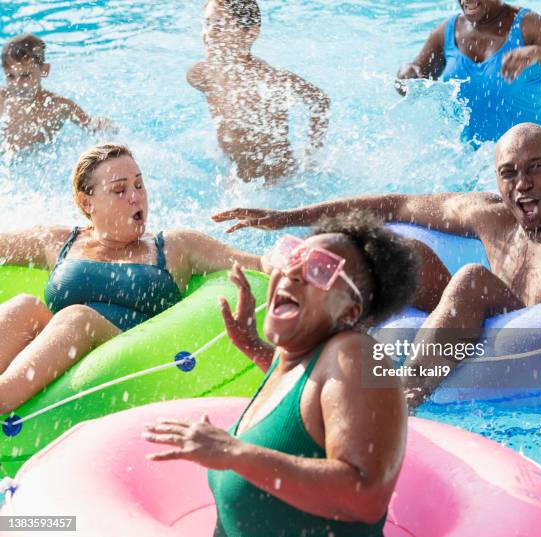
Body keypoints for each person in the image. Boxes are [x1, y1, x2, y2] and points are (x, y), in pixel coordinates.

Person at [212, 122, 541, 403]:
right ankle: (316, 360)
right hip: (478, 326)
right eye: (508, 173)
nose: (521, 183)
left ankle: (401, 402)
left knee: (471, 279)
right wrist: (287, 217)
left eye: (536, 169)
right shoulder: (490, 215)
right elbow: (397, 204)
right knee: (404, 253)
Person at [143, 213, 414, 536]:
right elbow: (305, 410)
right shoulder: (292, 363)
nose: (294, 271)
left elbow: (365, 497)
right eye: (293, 256)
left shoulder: (357, 353)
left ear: (350, 310)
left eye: (320, 269)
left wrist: (233, 452)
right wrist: (253, 345)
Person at [0, 143, 261, 414]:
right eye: (119, 190)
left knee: (78, 317)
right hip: (60, 357)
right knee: (24, 307)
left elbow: (258, 265)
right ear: (86, 202)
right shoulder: (58, 240)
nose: (135, 197)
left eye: (139, 185)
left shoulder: (175, 246)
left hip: (129, 363)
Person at [395, 1, 541, 143]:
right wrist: (405, 74)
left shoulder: (530, 26)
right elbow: (412, 82)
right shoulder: (446, 32)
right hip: (471, 159)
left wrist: (540, 54)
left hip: (532, 156)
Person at [187, 0, 330, 183]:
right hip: (235, 175)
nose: (209, 33)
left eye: (221, 25)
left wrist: (311, 157)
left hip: (276, 181)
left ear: (250, 34)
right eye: (207, 23)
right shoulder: (201, 74)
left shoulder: (267, 80)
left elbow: (320, 100)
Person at [0, 34, 115, 151]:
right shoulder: (2, 98)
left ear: (44, 70)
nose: (17, 84)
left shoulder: (59, 105)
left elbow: (90, 125)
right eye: (10, 76)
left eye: (25, 75)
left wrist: (103, 126)